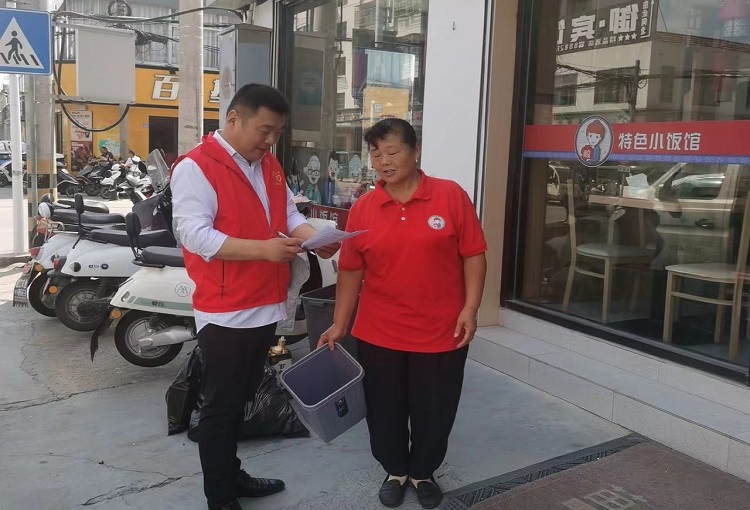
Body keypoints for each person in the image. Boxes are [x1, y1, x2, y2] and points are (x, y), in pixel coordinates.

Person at [170, 83, 340, 510]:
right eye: (264, 130)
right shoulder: (196, 167)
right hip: (226, 310)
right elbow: (193, 234)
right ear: (234, 119)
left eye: (277, 133)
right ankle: (221, 497)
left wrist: (315, 238)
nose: (270, 141)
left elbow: (287, 213)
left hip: (266, 303)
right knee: (220, 407)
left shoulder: (268, 164)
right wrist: (263, 250)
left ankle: (232, 475)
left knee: (243, 397)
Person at [319, 118, 487, 509]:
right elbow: (351, 270)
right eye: (376, 154)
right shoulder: (364, 208)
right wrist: (340, 323)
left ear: (416, 150)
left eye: (392, 151)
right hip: (380, 331)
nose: (384, 162)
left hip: (442, 330)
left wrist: (471, 307)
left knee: (435, 408)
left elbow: (473, 254)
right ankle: (394, 470)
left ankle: (423, 472)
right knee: (385, 409)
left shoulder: (450, 196)